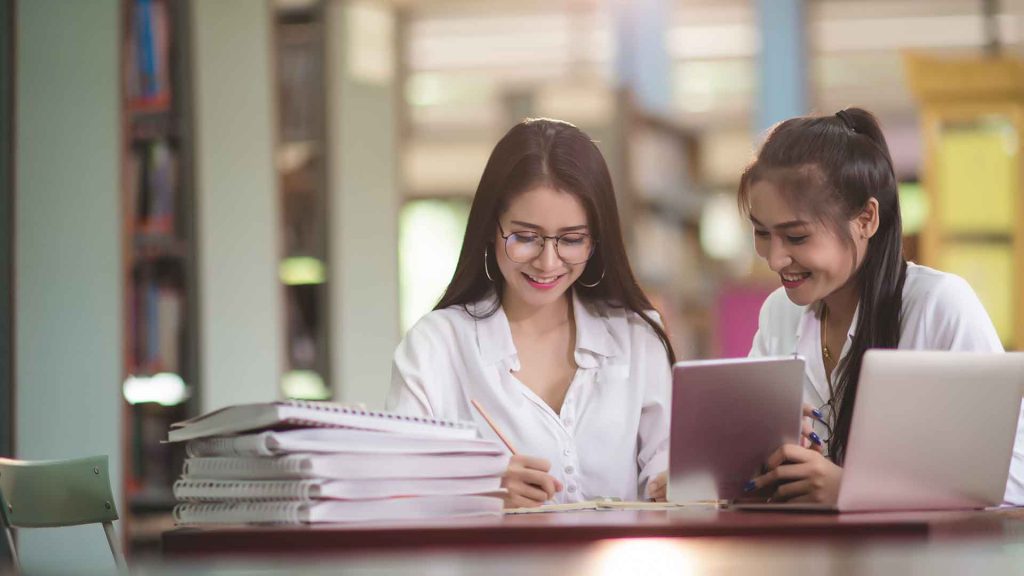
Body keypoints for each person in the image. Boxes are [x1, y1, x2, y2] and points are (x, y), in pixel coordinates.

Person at [740, 107, 1024, 505]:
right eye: (761, 233)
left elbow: (1012, 477)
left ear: (865, 219)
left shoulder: (937, 305)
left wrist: (853, 489)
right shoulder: (778, 313)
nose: (774, 259)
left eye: (797, 237)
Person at [387, 118, 675, 508]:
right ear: (491, 229)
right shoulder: (436, 346)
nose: (547, 262)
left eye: (572, 239)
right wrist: (479, 491)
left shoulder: (637, 337)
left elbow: (671, 470)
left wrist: (678, 484)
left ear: (596, 240)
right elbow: (394, 490)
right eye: (525, 237)